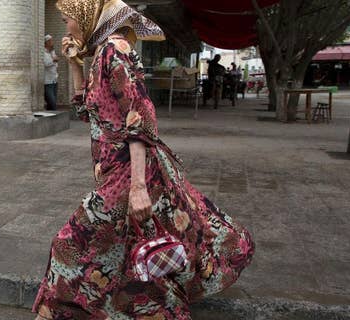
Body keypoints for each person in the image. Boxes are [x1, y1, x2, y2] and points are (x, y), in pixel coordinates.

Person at [33, 1, 254, 319]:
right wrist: (74, 63)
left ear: (85, 16)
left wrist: (137, 186)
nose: (66, 26)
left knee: (68, 245)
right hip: (114, 174)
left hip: (130, 174)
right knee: (134, 260)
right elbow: (87, 112)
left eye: (68, 19)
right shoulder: (100, 55)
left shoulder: (115, 49)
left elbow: (140, 114)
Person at [44, 34, 59, 111]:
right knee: (52, 102)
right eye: (51, 41)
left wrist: (54, 60)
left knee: (52, 103)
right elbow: (45, 63)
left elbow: (56, 64)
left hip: (54, 80)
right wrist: (53, 60)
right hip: (47, 82)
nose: (52, 42)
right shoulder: (43, 53)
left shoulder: (52, 52)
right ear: (46, 42)